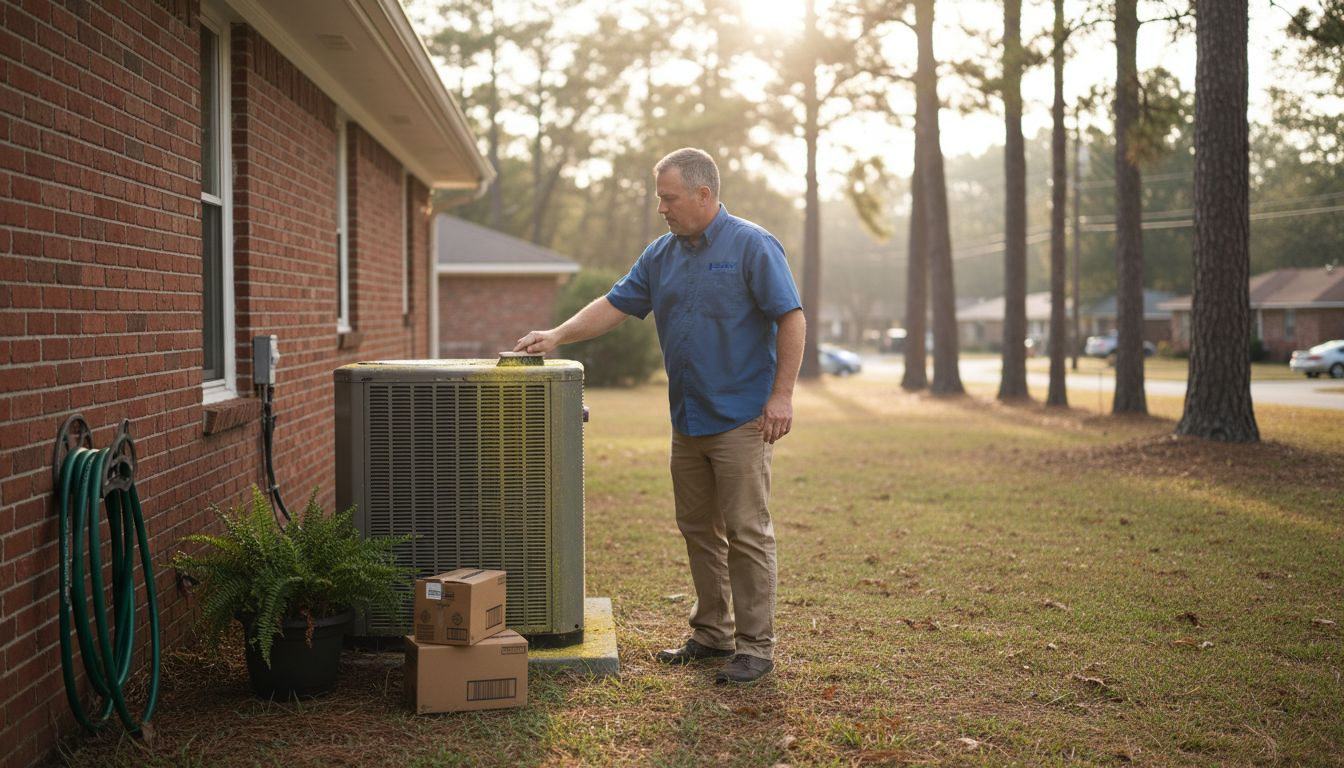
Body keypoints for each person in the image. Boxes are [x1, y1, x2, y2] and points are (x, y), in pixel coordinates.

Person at [514, 147, 804, 684]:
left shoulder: (752, 245)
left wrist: (781, 396)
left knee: (745, 531)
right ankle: (714, 634)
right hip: (687, 420)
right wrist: (557, 335)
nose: (662, 208)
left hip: (742, 418)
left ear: (703, 194)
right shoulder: (660, 254)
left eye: (669, 198)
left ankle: (756, 649)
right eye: (659, 198)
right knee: (697, 528)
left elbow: (790, 317)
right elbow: (615, 303)